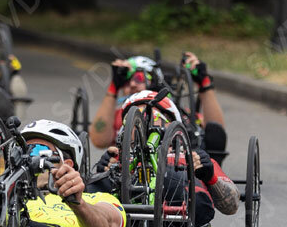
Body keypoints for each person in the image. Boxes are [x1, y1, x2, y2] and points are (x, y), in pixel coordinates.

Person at [91, 90, 239, 227]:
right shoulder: (117, 158)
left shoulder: (193, 156)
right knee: (91, 190)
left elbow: (232, 206)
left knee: (194, 194)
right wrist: (103, 174)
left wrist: (209, 175)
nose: (145, 124)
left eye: (152, 117)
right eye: (139, 118)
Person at [90, 53, 228, 164]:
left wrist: (205, 84)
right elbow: (99, 140)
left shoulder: (179, 113)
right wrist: (114, 86)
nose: (132, 84)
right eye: (125, 81)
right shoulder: (120, 115)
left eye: (139, 78)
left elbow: (217, 132)